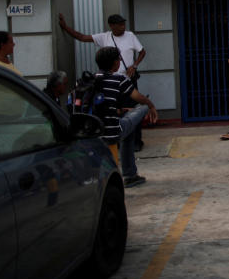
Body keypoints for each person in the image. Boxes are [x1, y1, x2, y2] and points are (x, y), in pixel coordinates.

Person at [59, 12, 146, 147]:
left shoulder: (130, 36)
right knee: (113, 111)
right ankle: (117, 140)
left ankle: (136, 142)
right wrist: (65, 27)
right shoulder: (104, 37)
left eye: (124, 24)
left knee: (133, 110)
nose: (123, 27)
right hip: (110, 82)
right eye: (120, 25)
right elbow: (81, 37)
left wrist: (134, 65)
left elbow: (142, 51)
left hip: (127, 80)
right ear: (112, 26)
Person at [94, 46, 158, 188]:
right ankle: (129, 175)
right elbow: (138, 97)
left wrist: (120, 110)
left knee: (129, 128)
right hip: (113, 131)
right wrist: (151, 106)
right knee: (140, 108)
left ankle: (131, 175)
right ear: (115, 62)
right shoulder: (118, 79)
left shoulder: (91, 80)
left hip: (95, 132)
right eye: (119, 59)